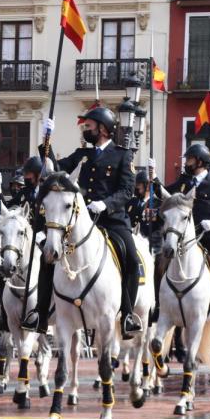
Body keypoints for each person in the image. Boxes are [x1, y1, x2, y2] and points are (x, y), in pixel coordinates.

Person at [22, 107, 144, 336]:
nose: (85, 130)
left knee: (130, 258)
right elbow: (54, 171)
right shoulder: (81, 154)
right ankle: (40, 313)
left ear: (103, 129)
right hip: (78, 223)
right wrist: (45, 143)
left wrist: (106, 204)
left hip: (112, 220)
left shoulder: (122, 155)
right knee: (48, 257)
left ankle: (127, 314)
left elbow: (127, 191)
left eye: (89, 126)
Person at [167, 143, 210, 322]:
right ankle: (160, 306)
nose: (186, 163)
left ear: (200, 162)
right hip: (185, 236)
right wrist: (154, 179)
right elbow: (166, 192)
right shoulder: (184, 182)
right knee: (163, 260)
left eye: (189, 160)